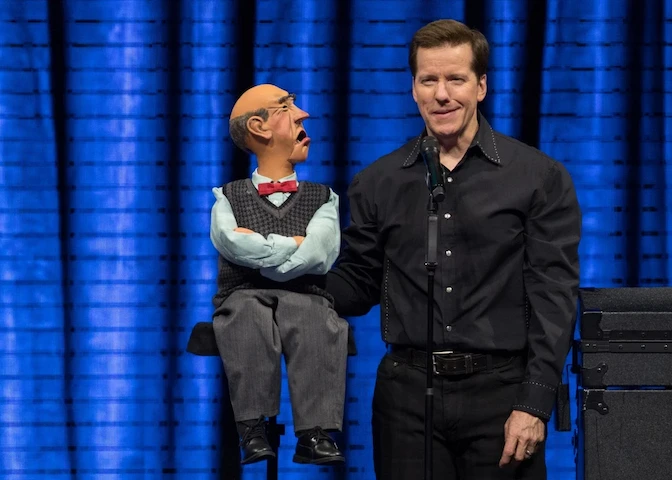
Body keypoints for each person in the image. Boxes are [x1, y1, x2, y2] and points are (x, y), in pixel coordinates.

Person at [325, 19, 582, 479]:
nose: (441, 94)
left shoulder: (537, 177)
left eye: (456, 79)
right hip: (406, 398)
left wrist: (534, 402)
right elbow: (360, 282)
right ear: (413, 89)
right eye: (429, 80)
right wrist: (290, 281)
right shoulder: (378, 182)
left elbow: (554, 296)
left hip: (502, 395)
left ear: (481, 86)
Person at [209, 84, 348, 466]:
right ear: (259, 127)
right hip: (242, 294)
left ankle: (315, 432)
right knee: (244, 318)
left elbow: (319, 254)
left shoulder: (323, 197)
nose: (303, 114)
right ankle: (252, 428)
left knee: (316, 320)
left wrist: (265, 251)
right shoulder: (228, 196)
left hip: (306, 294)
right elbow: (232, 242)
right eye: (286, 107)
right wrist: (293, 244)